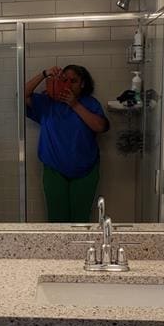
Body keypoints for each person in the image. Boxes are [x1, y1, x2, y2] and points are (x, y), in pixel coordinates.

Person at [25, 64, 109, 223]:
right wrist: (44, 73)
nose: (68, 84)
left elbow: (101, 127)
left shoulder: (90, 103)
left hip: (86, 169)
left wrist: (75, 104)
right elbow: (21, 94)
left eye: (73, 81)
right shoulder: (47, 103)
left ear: (82, 84)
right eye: (64, 80)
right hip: (54, 169)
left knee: (81, 219)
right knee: (57, 219)